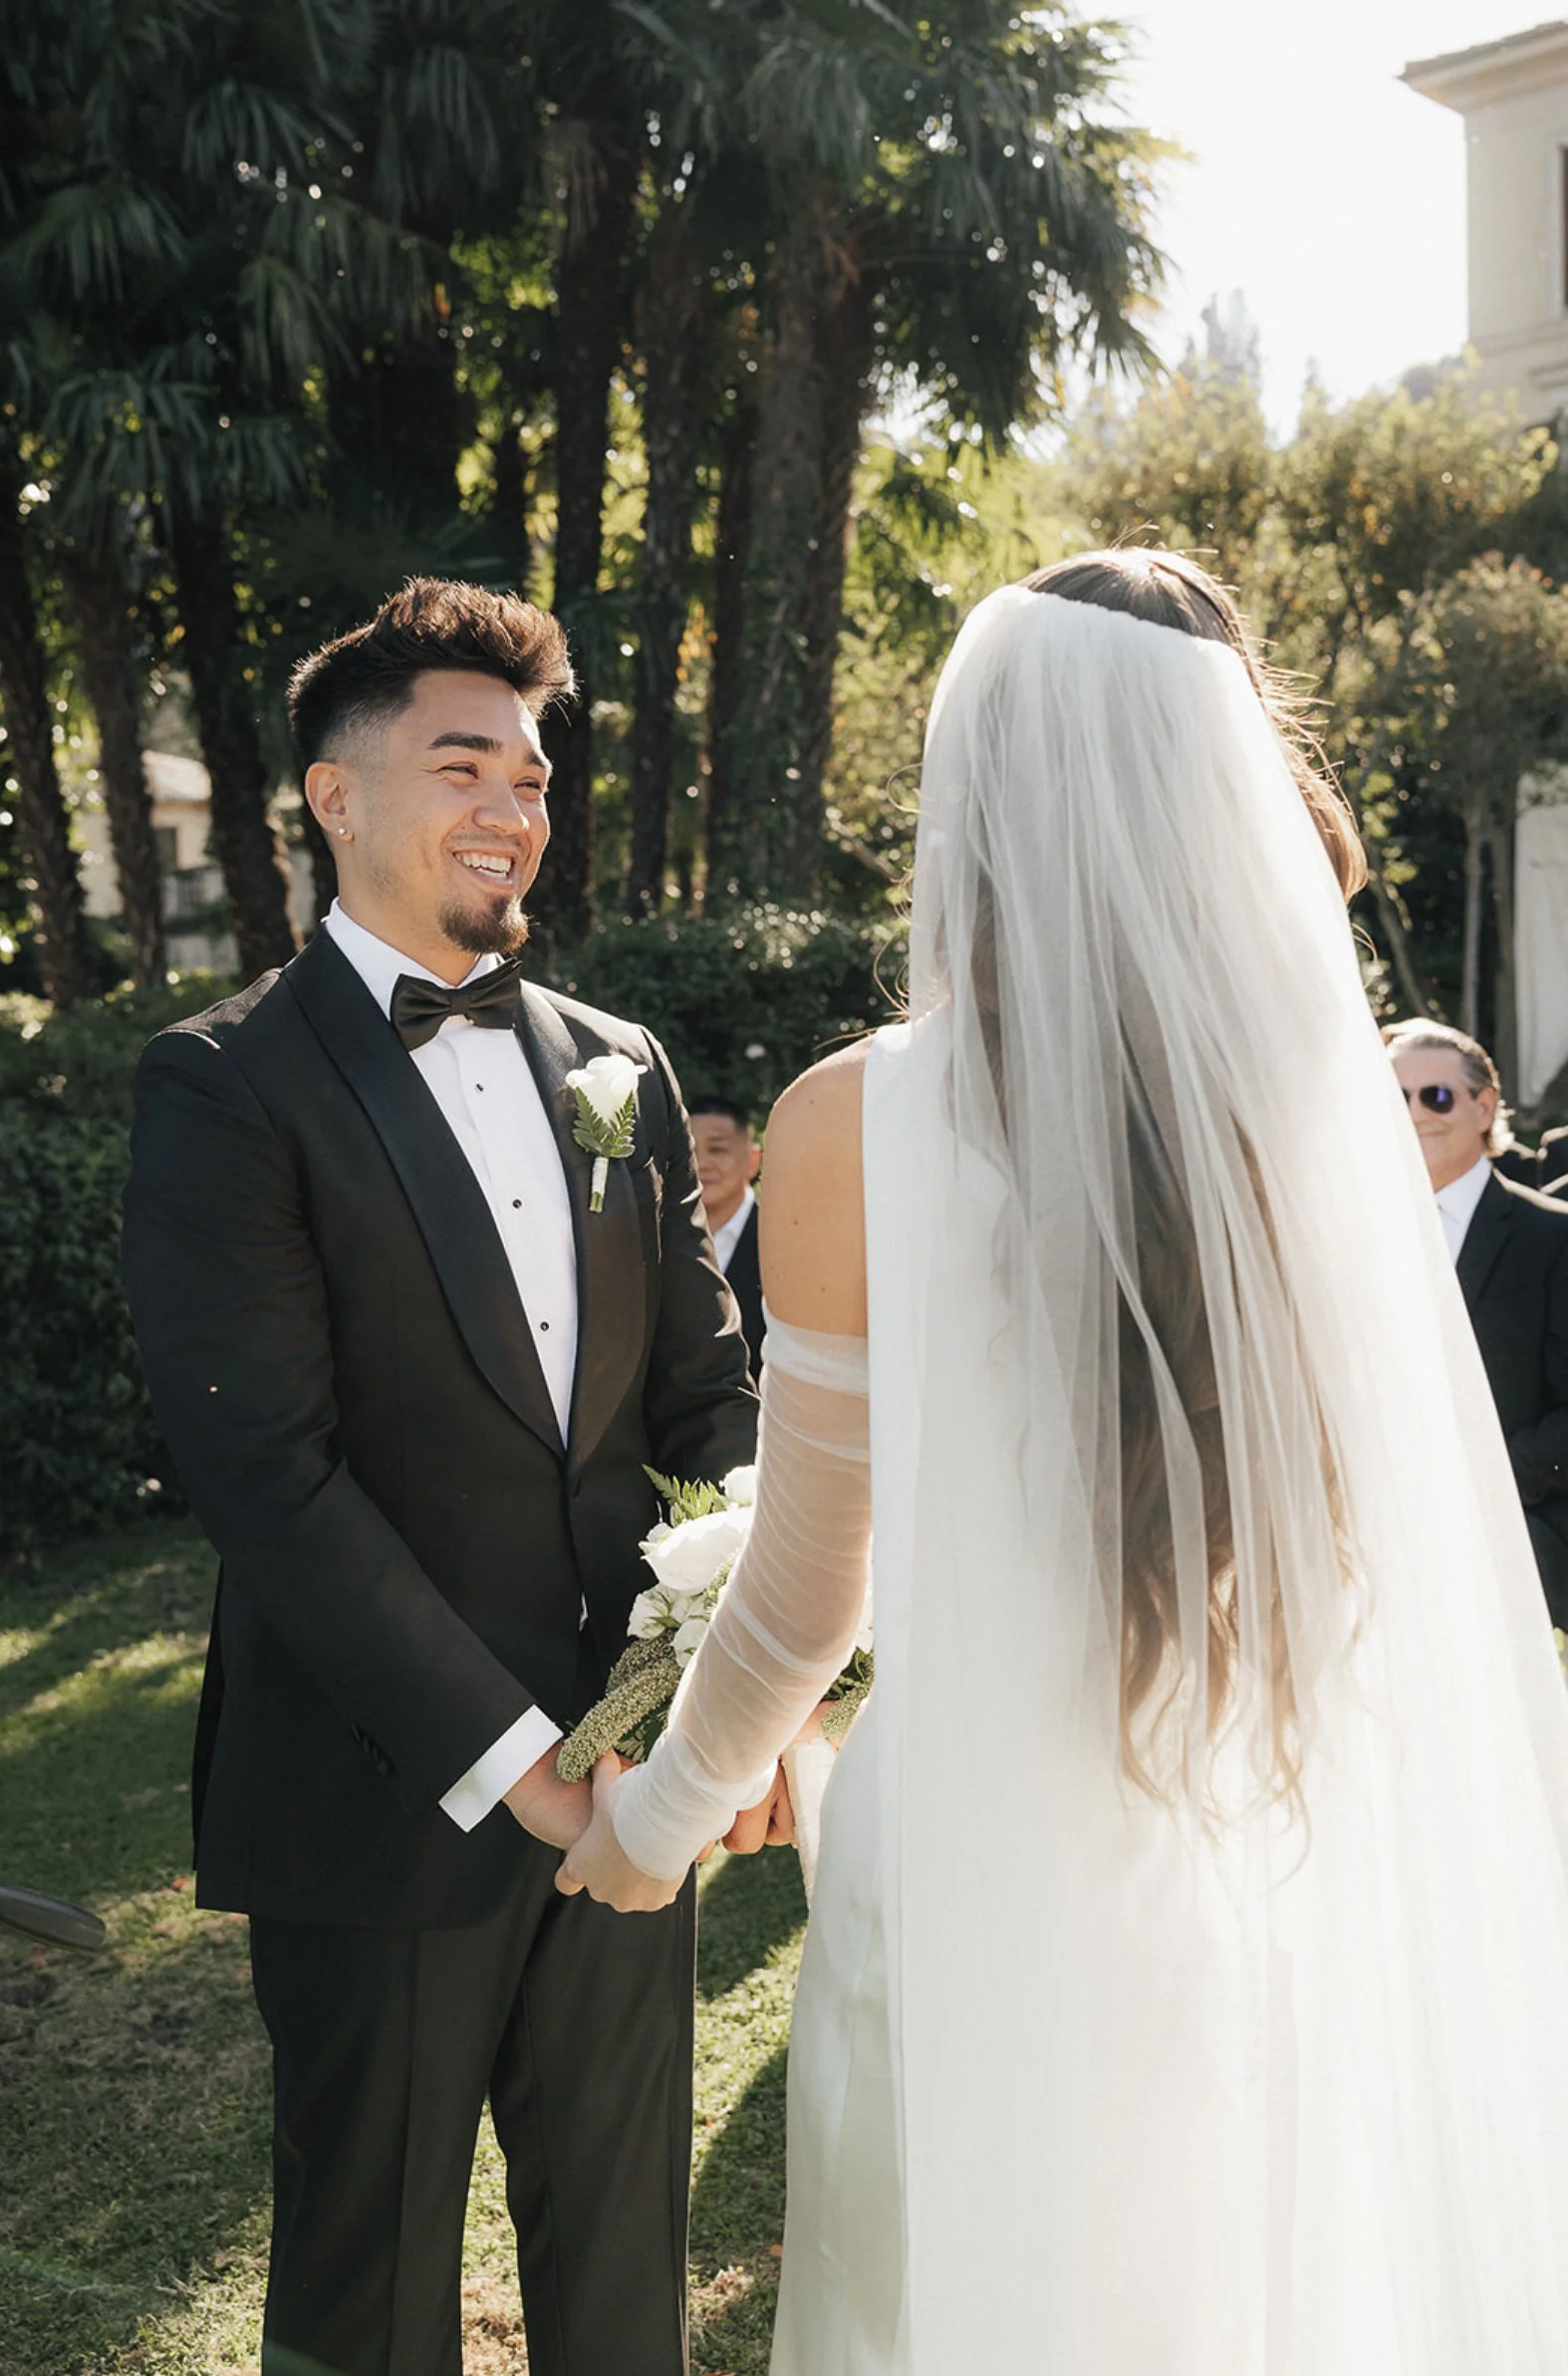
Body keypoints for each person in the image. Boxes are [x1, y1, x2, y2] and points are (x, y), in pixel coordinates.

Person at [560, 551, 1568, 2375]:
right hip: (1259, 1827)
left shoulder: (854, 1118)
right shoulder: (1316, 1121)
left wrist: (650, 1821)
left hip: (967, 1876)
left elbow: (802, 1591)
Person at [121, 580, 760, 2376]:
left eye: (536, 777)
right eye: (460, 762)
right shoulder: (223, 1084)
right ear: (334, 797)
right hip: (383, 1797)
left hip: (635, 1786)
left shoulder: (619, 1068)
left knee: (624, 2260)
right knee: (370, 2288)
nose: (510, 806)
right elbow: (272, 1481)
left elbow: (710, 1409)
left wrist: (715, 1691)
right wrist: (520, 1772)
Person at [1386, 1018, 1568, 1626]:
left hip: (1515, 1540)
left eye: (1435, 1096)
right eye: (1395, 1097)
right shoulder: (1347, 1242)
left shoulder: (1553, 1237)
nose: (1415, 1114)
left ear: (1484, 1107)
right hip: (1375, 1547)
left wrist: (1481, 1481)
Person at [688, 1096, 764, 1375]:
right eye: (690, 1150)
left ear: (753, 1160)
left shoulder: (777, 1241)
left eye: (717, 1149)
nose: (702, 1163)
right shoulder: (657, 1239)